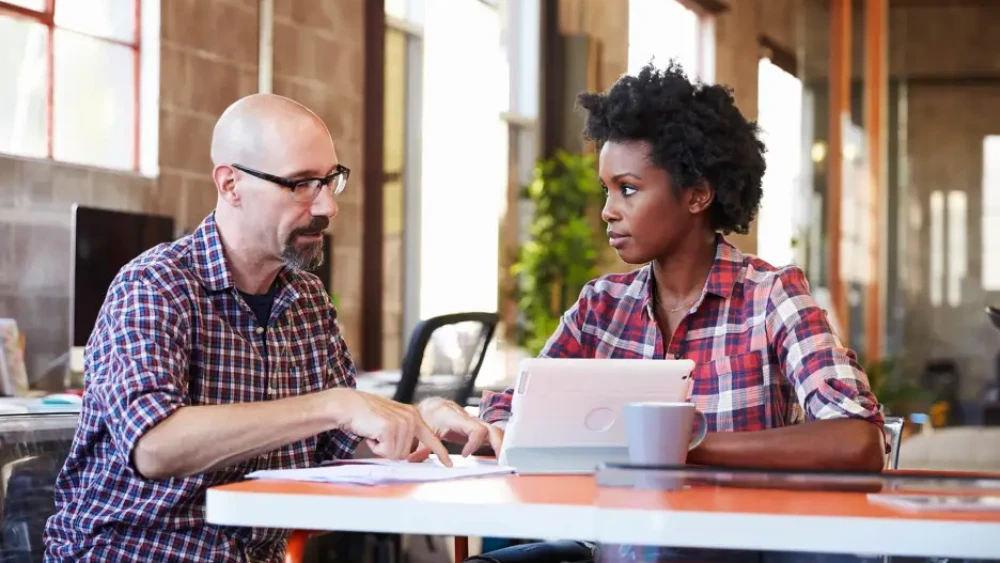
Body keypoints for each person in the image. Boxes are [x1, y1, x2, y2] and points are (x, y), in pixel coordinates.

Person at [43, 94, 498, 563]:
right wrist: (332, 405)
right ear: (230, 184)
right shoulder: (155, 285)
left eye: (329, 181)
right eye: (301, 184)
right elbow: (153, 447)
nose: (327, 207)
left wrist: (419, 422)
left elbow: (341, 444)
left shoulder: (307, 301)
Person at [463, 61, 887, 562]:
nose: (607, 210)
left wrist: (681, 448)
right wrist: (479, 423)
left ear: (697, 194)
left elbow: (857, 441)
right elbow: (514, 411)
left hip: (734, 549)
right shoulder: (601, 307)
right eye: (606, 190)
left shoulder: (770, 296)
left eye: (628, 188)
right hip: (616, 544)